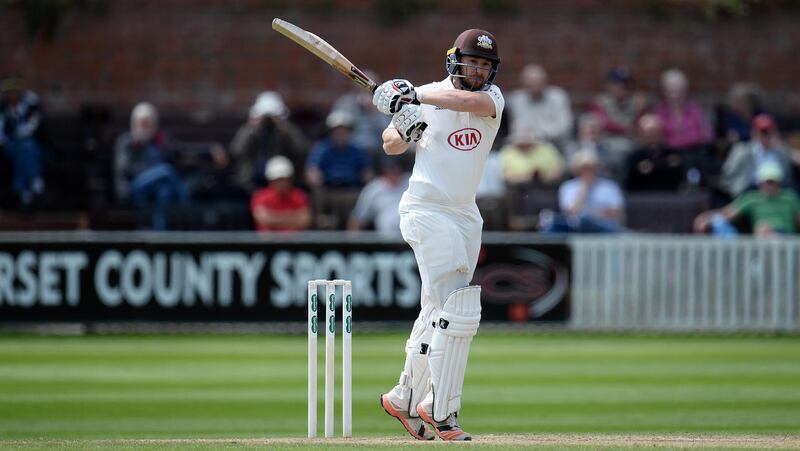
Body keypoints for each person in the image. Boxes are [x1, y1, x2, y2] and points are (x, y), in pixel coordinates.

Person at [371, 28, 505, 441]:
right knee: (457, 305)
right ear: (454, 61)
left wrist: (414, 97)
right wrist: (404, 131)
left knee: (436, 308)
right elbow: (389, 143)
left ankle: (403, 396)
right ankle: (439, 407)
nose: (479, 71)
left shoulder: (491, 99)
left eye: (485, 65)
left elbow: (466, 101)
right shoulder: (426, 94)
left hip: (466, 214)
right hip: (425, 209)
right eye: (472, 63)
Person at [114, 102, 188, 230]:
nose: (145, 127)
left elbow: (178, 154)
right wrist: (153, 171)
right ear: (134, 123)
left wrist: (164, 145)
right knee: (166, 170)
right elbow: (126, 169)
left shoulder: (159, 141)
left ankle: (160, 236)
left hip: (155, 188)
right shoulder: (126, 142)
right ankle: (185, 201)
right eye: (142, 122)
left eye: (148, 123)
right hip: (133, 186)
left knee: (164, 191)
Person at [229, 91, 307, 193]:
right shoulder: (250, 130)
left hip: (280, 182)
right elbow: (236, 151)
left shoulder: (286, 130)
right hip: (251, 182)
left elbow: (301, 150)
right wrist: (251, 128)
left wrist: (284, 126)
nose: (268, 120)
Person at [694, 162, 800, 237]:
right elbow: (727, 213)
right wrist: (705, 218)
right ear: (760, 183)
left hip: (787, 239)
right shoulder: (753, 199)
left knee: (763, 229)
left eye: (773, 182)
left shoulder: (790, 197)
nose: (769, 185)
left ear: (779, 183)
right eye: (767, 182)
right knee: (762, 228)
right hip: (763, 238)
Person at [539, 149, 624, 233]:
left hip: (605, 227)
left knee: (585, 220)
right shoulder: (568, 187)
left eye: (590, 168)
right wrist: (585, 190)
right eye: (583, 168)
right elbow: (569, 213)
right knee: (552, 225)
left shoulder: (609, 186)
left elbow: (616, 214)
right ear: (576, 170)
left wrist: (593, 216)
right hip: (575, 227)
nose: (587, 171)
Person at [719, 114, 794, 200]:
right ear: (754, 133)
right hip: (750, 190)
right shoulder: (742, 150)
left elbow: (788, 176)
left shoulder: (782, 151)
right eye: (763, 132)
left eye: (770, 132)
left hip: (778, 191)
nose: (767, 136)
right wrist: (734, 189)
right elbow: (728, 174)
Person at [0, 75, 45, 208]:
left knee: (26, 147)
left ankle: (22, 190)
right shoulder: (3, 111)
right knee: (25, 147)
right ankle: (35, 179)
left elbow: (30, 129)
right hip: (9, 149)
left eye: (15, 92)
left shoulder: (30, 108)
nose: (13, 95)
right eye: (9, 92)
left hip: (33, 148)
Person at [506, 64, 573, 149]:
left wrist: (539, 134)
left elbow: (564, 127)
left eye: (536, 80)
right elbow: (517, 127)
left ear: (545, 81)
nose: (533, 84)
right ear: (523, 82)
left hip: (557, 146)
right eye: (529, 80)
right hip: (525, 147)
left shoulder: (558, 97)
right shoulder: (516, 100)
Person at [330, 69, 391, 156]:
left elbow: (388, 131)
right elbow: (336, 127)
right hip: (349, 150)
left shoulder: (382, 106)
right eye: (362, 85)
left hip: (376, 151)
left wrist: (374, 112)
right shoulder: (344, 102)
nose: (365, 89)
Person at [589, 67, 648, 156]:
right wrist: (625, 129)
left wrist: (641, 110)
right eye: (617, 84)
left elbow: (640, 126)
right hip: (608, 143)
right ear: (609, 85)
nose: (621, 87)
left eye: (625, 84)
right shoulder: (600, 102)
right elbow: (605, 124)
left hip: (631, 143)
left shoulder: (636, 101)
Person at [305, 110, 371, 188]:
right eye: (337, 131)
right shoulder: (321, 149)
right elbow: (312, 169)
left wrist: (367, 180)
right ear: (331, 132)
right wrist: (315, 178)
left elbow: (367, 170)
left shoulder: (357, 150)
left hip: (352, 189)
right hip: (328, 189)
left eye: (344, 131)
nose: (340, 134)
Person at [652, 68, 712, 152]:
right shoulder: (659, 111)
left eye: (678, 89)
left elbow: (706, 135)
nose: (675, 95)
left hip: (693, 152)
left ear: (685, 90)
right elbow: (656, 139)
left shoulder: (694, 110)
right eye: (671, 90)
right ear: (664, 91)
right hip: (668, 155)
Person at [347, 156, 409, 235]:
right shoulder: (374, 188)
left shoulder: (412, 181)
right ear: (384, 171)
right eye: (389, 171)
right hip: (385, 242)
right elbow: (357, 218)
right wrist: (353, 244)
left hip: (415, 241)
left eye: (396, 171)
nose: (393, 174)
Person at [250, 155, 311, 232]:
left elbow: (305, 221)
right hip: (268, 242)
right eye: (278, 180)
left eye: (285, 179)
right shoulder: (260, 196)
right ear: (270, 180)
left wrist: (274, 217)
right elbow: (264, 219)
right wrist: (293, 217)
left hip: (296, 242)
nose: (282, 183)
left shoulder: (299, 195)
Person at [625, 114, 685, 191]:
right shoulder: (635, 157)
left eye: (656, 134)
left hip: (670, 195)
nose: (653, 138)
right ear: (641, 135)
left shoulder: (673, 154)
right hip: (642, 197)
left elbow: (679, 176)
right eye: (649, 135)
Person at [499, 129, 565, 186]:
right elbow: (504, 176)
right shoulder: (507, 152)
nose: (524, 138)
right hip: (518, 190)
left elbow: (560, 169)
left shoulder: (547, 149)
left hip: (548, 188)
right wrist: (528, 177)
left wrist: (544, 177)